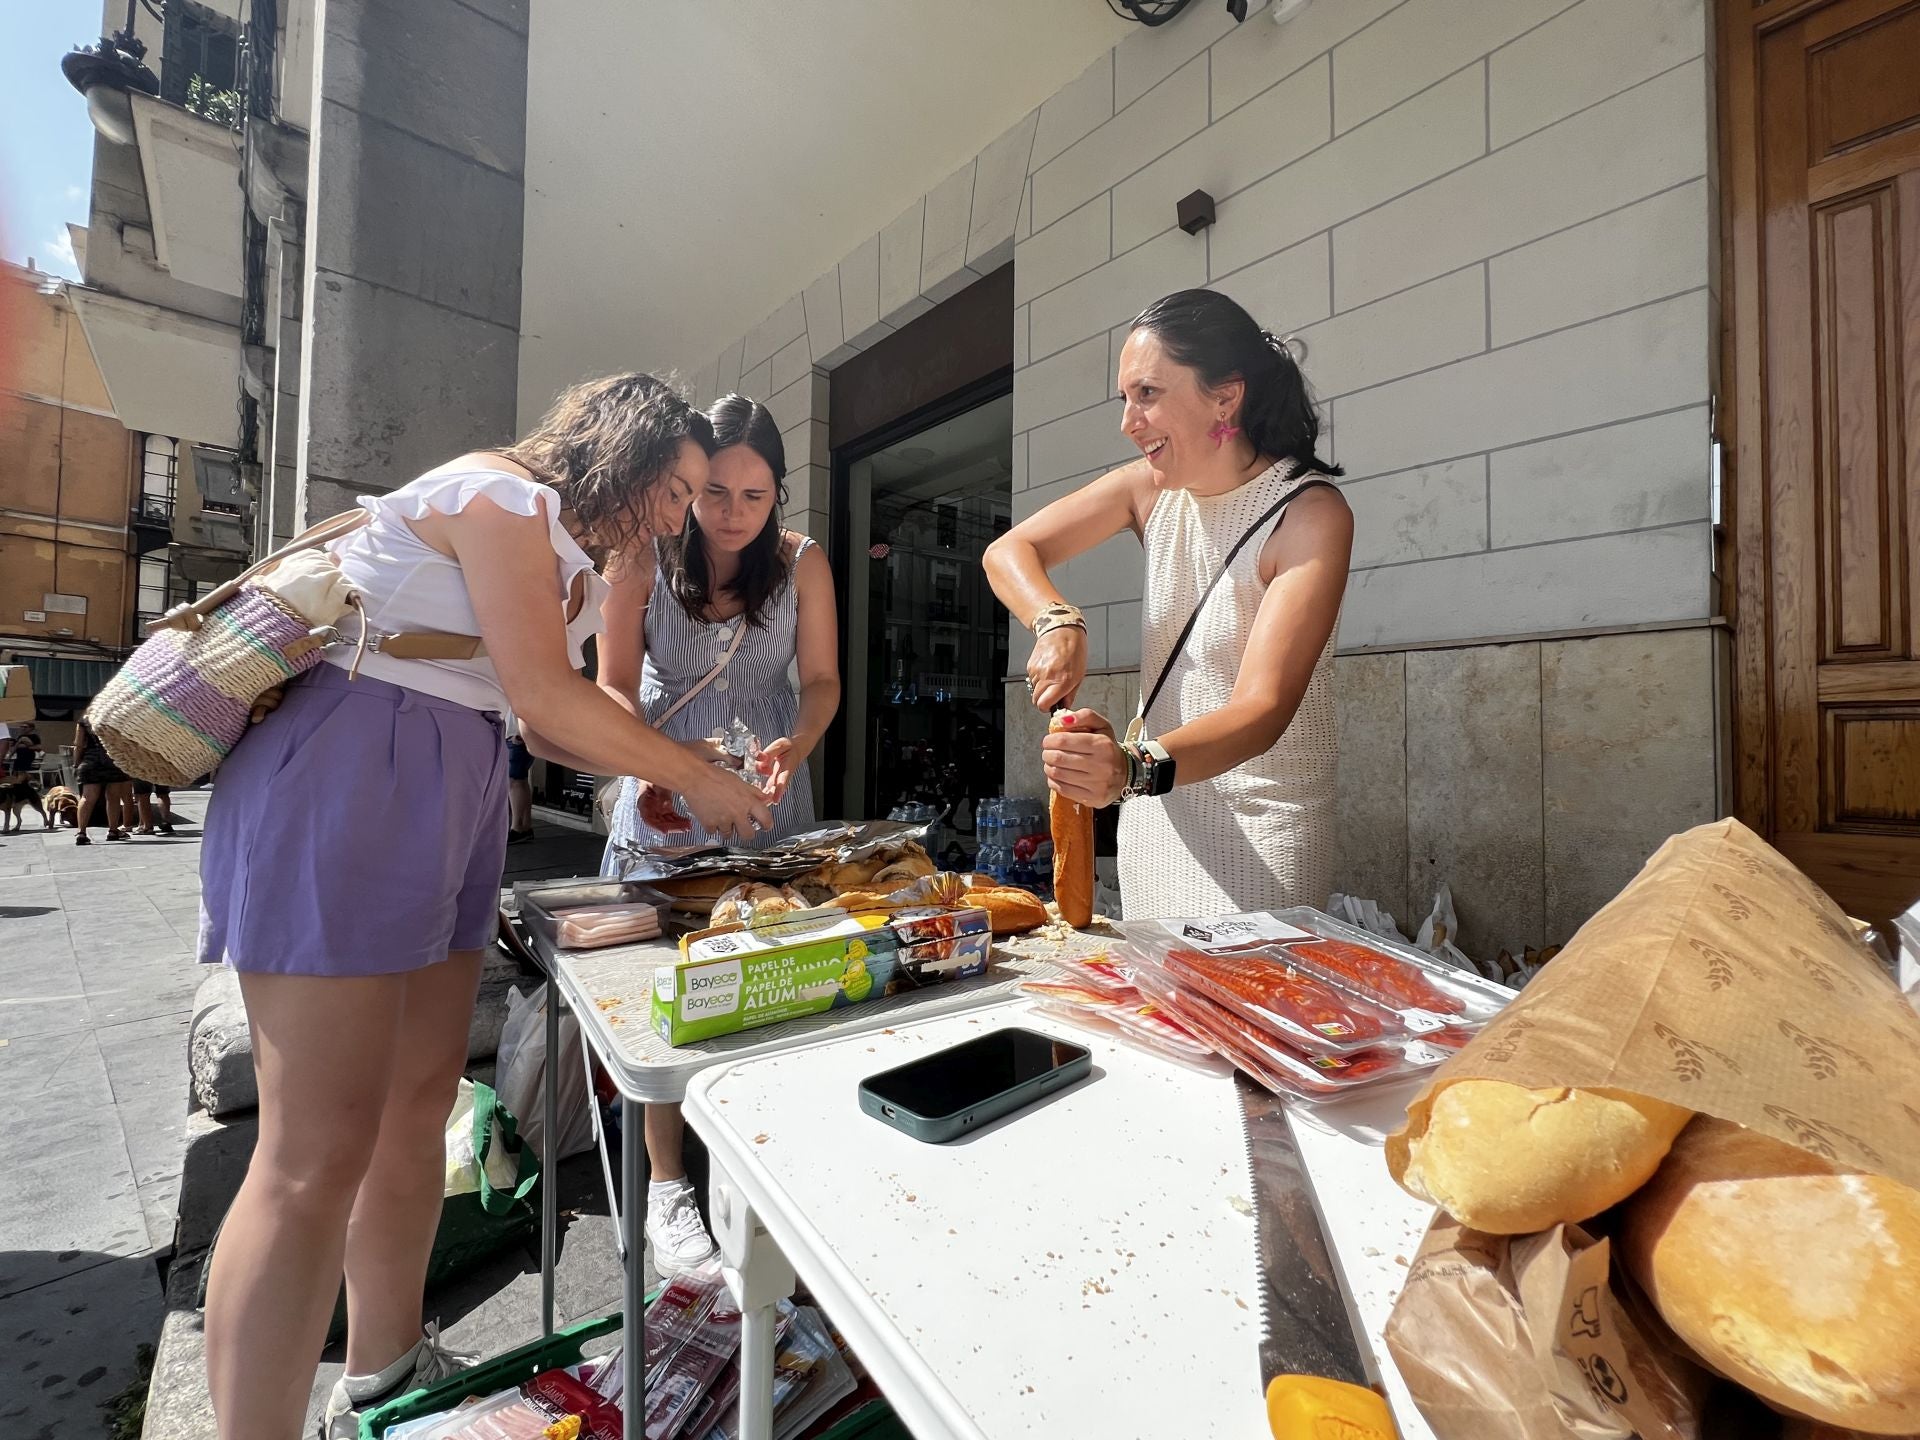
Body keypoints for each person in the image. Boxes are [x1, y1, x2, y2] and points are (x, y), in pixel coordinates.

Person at [195, 373, 776, 1440]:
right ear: (628, 453)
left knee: (420, 1104)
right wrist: (698, 784)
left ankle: (382, 1368)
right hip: (349, 769)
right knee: (311, 1152)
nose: (677, 512)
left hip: (450, 789)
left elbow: (552, 729)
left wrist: (684, 760)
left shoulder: (564, 558)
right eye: (676, 485)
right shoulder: (502, 498)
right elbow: (552, 701)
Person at [984, 288, 1353, 919]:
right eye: (1125, 399)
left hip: (1262, 837)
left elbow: (1262, 709)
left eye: (1148, 394)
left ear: (1225, 396)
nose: (1129, 422)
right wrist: (1056, 621)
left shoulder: (1310, 513)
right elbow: (1009, 552)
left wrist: (1128, 770)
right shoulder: (1148, 489)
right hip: (1155, 820)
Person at [597, 393, 841, 1274]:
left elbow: (821, 681)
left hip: (771, 792)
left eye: (756, 494)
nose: (734, 514)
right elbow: (613, 689)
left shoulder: (802, 563)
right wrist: (664, 756)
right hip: (667, 795)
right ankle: (668, 1186)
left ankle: (758, 1157)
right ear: (689, 488)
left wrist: (798, 743)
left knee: (769, 968)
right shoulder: (643, 555)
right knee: (670, 990)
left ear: (779, 492)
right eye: (716, 494)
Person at [73, 716, 133, 844]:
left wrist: (76, 763)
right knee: (113, 797)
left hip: (91, 761)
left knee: (87, 798)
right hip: (113, 760)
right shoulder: (118, 717)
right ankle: (112, 830)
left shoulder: (85, 720)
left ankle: (81, 832)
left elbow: (78, 745)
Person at [504, 722, 534, 842]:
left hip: (516, 736)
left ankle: (517, 828)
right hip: (517, 736)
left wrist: (518, 733)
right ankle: (525, 826)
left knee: (514, 781)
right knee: (521, 780)